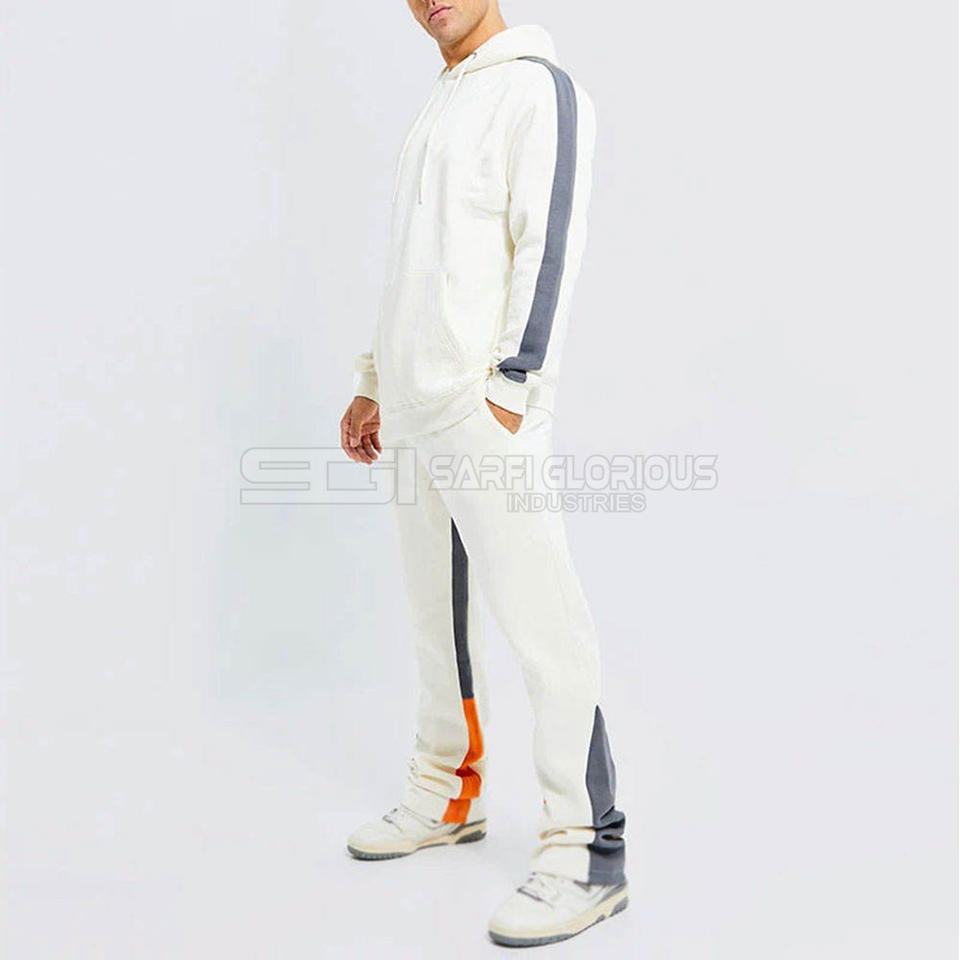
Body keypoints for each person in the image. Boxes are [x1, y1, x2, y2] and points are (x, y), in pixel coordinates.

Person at [339, 1, 627, 947]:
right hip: (414, 411)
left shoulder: (538, 90)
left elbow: (549, 244)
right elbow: (411, 266)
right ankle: (446, 791)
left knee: (545, 629)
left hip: (481, 408)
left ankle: (587, 850)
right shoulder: (439, 104)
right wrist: (373, 383)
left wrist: (512, 387)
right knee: (439, 622)